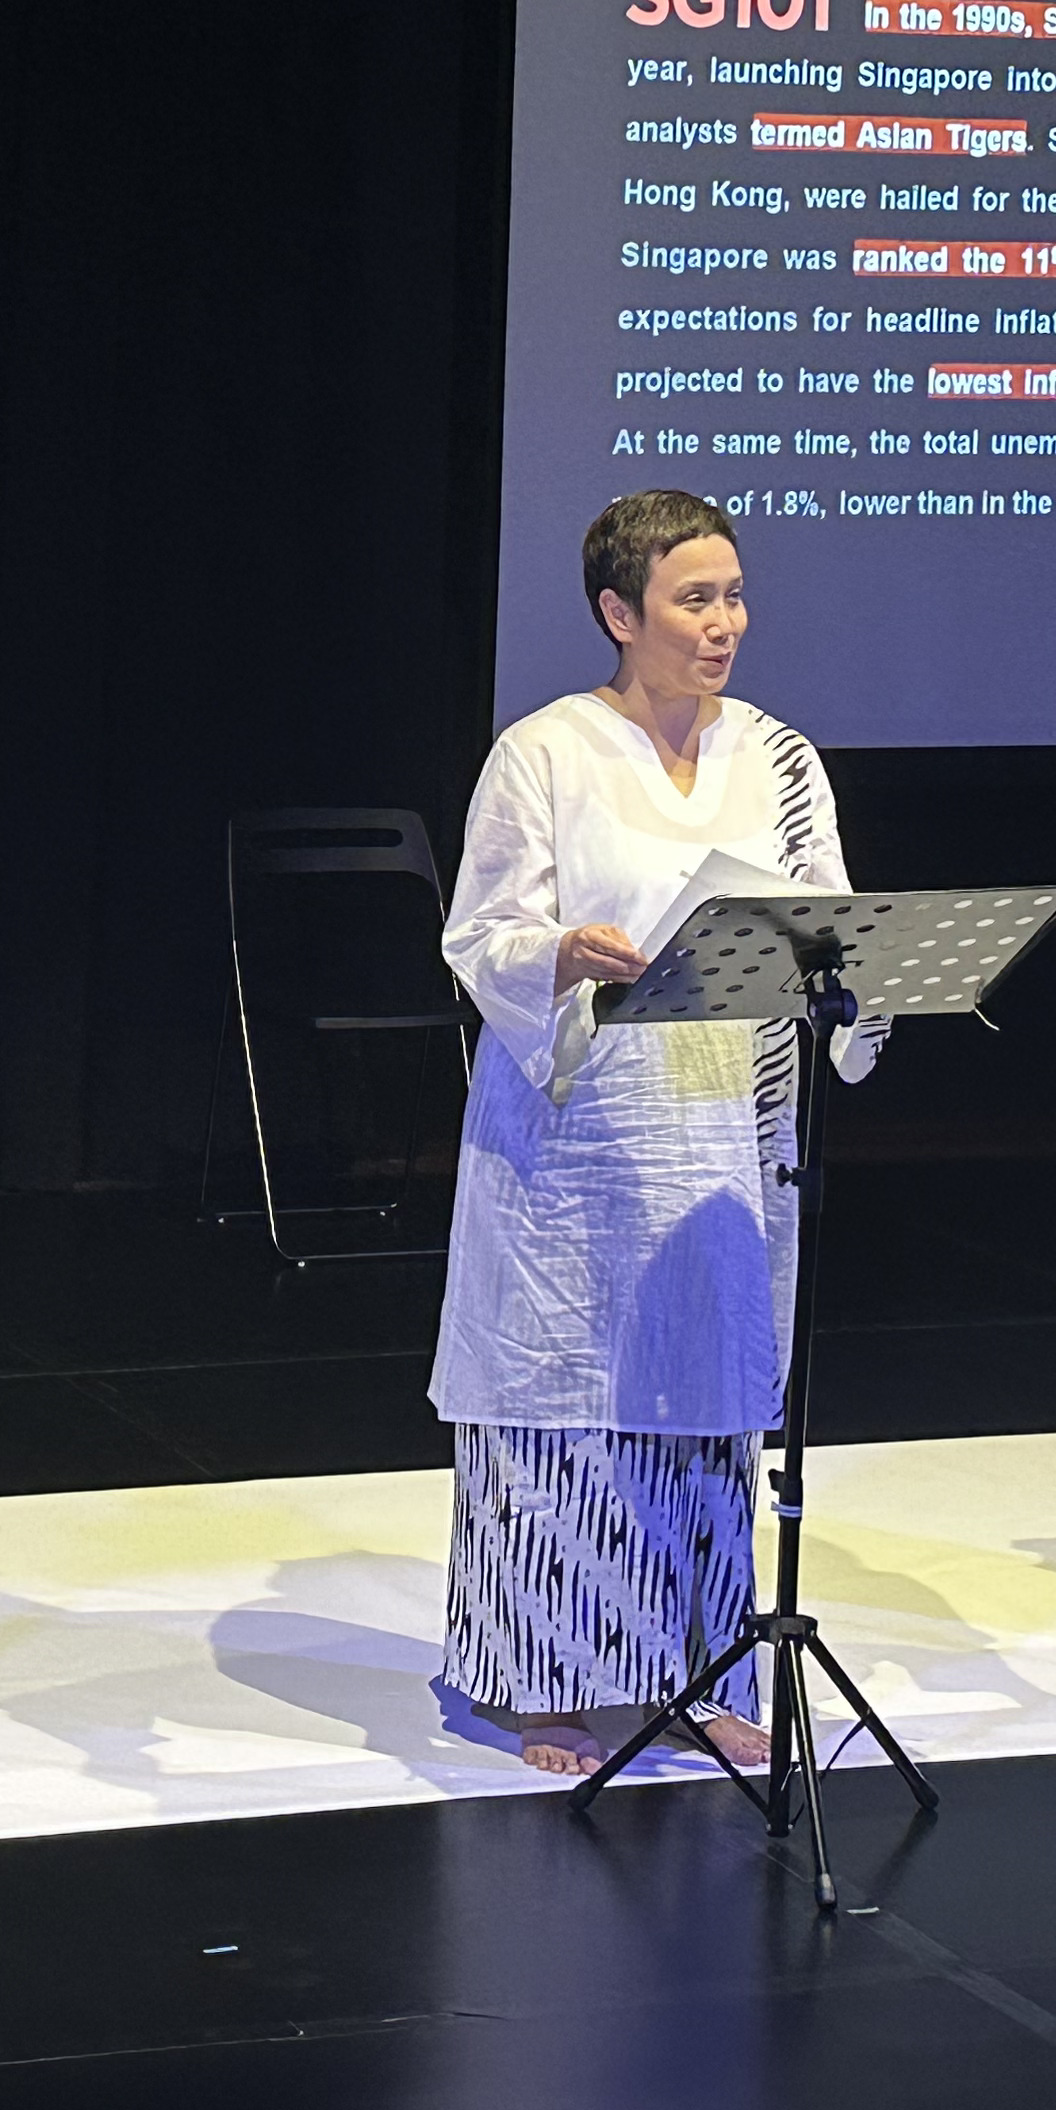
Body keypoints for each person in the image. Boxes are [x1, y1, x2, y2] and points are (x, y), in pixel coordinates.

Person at [428, 488, 888, 1775]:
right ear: (618, 614)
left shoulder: (783, 763)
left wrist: (863, 999)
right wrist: (559, 953)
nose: (725, 622)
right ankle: (544, 1681)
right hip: (580, 1142)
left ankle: (698, 1668)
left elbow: (833, 937)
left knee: (706, 1402)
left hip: (726, 1131)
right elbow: (482, 935)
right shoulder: (547, 753)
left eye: (735, 594)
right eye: (696, 598)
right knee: (566, 1404)